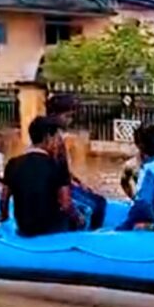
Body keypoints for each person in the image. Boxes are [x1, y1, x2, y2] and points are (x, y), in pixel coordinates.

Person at [0, 116, 84, 237]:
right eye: (58, 137)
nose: (59, 142)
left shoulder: (13, 164)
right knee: (84, 215)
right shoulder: (56, 165)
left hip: (24, 227)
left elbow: (3, 200)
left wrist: (4, 216)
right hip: (52, 229)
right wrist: (78, 219)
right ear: (49, 137)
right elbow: (66, 205)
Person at [46, 93, 106, 229]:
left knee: (98, 201)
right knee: (97, 204)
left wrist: (78, 182)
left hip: (63, 182)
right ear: (54, 115)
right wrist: (70, 184)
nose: (70, 120)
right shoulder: (53, 138)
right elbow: (56, 167)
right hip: (58, 187)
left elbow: (63, 168)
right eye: (67, 116)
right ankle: (90, 234)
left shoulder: (56, 135)